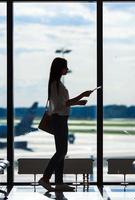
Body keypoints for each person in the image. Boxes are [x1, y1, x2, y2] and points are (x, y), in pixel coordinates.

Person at [38, 57, 93, 192]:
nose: (67, 69)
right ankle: (45, 179)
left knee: (61, 151)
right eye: (65, 67)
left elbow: (63, 103)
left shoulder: (57, 84)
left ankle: (59, 182)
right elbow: (61, 105)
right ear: (60, 68)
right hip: (59, 120)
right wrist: (81, 96)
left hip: (61, 119)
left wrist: (78, 102)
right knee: (62, 151)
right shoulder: (55, 84)